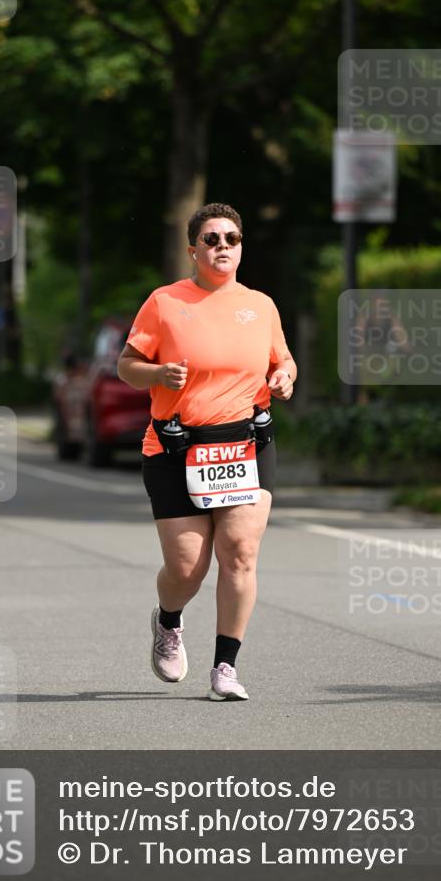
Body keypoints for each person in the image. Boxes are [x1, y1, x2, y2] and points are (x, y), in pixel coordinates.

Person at [117, 203, 296, 701]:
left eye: (232, 239)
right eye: (212, 239)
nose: (222, 246)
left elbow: (284, 361)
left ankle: (225, 667)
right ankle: (168, 621)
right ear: (193, 248)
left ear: (241, 248)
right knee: (186, 569)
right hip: (176, 448)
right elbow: (127, 365)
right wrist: (156, 374)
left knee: (239, 553)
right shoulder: (165, 302)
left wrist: (284, 377)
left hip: (245, 445)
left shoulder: (260, 305)